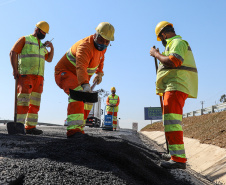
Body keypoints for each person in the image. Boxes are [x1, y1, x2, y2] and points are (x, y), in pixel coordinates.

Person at [150, 21, 198, 169]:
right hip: (171, 87)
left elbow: (173, 62)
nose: (162, 41)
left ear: (163, 34)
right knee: (169, 122)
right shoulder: (170, 46)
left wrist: (156, 54)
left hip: (176, 86)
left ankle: (178, 159)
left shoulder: (177, 42)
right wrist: (160, 55)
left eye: (161, 38)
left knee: (172, 122)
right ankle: (173, 153)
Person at [55, 22, 115, 138]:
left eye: (107, 42)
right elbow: (81, 67)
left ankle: (79, 128)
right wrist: (85, 84)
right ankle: (73, 131)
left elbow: (101, 59)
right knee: (78, 93)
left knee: (88, 101)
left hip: (80, 78)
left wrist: (99, 73)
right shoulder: (84, 46)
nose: (103, 44)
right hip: (65, 73)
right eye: (101, 40)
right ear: (95, 35)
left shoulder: (103, 48)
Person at [10, 21, 54, 135]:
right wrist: (15, 70)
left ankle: (30, 127)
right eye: (43, 32)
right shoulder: (25, 39)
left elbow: (49, 59)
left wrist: (51, 48)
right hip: (26, 76)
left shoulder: (42, 46)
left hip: (39, 78)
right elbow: (13, 53)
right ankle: (19, 126)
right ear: (37, 29)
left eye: (45, 33)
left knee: (35, 104)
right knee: (23, 102)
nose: (44, 35)